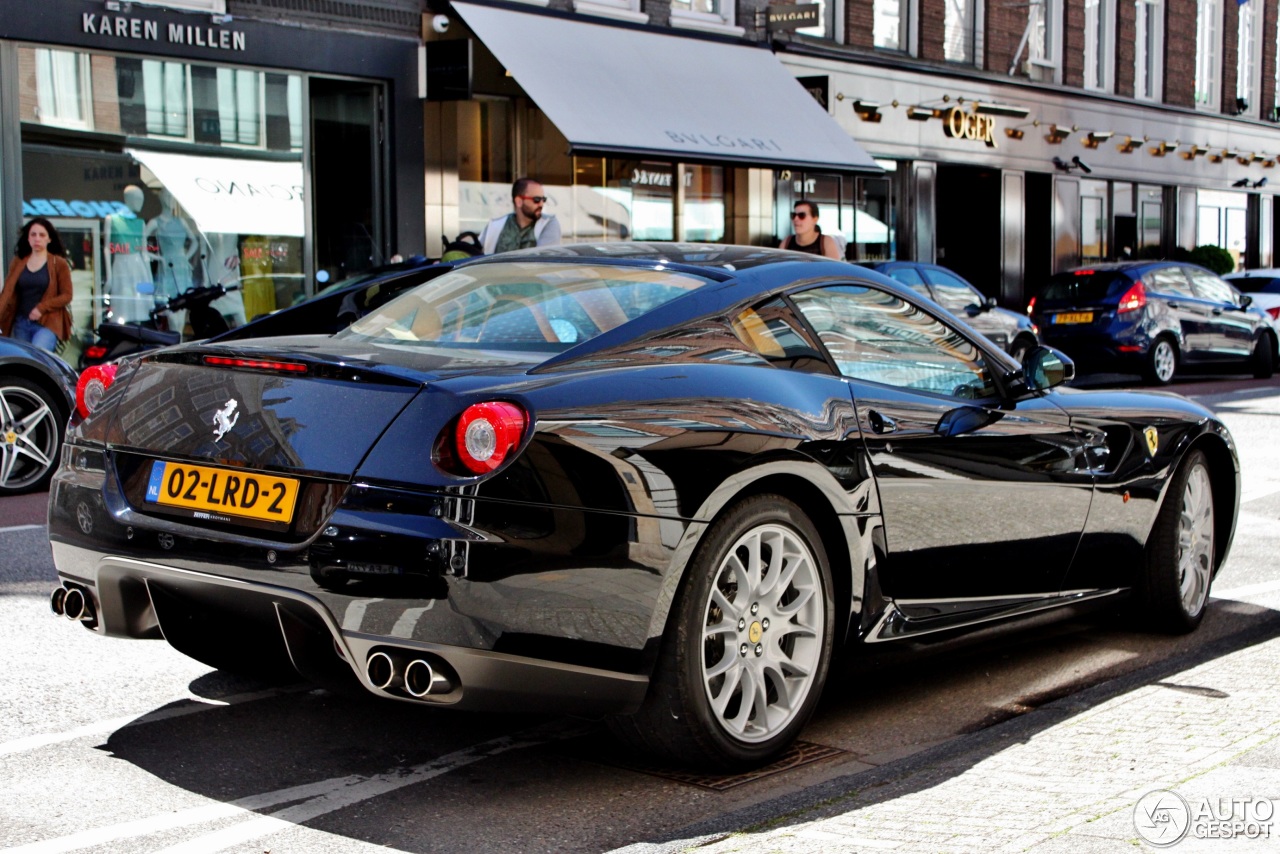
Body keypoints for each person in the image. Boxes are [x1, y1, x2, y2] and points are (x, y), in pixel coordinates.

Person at [0, 217, 74, 353]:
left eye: (42, 235)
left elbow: (67, 295)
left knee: (38, 356)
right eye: (33, 235)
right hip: (21, 322)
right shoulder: (19, 262)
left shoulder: (58, 263)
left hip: (48, 323)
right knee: (23, 362)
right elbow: (7, 292)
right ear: (28, 239)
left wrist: (41, 308)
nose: (37, 239)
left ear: (49, 239)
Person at [478, 178, 562, 254]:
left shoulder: (548, 223)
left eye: (543, 199)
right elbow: (475, 254)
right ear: (519, 201)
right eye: (536, 199)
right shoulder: (495, 225)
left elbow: (543, 259)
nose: (541, 204)